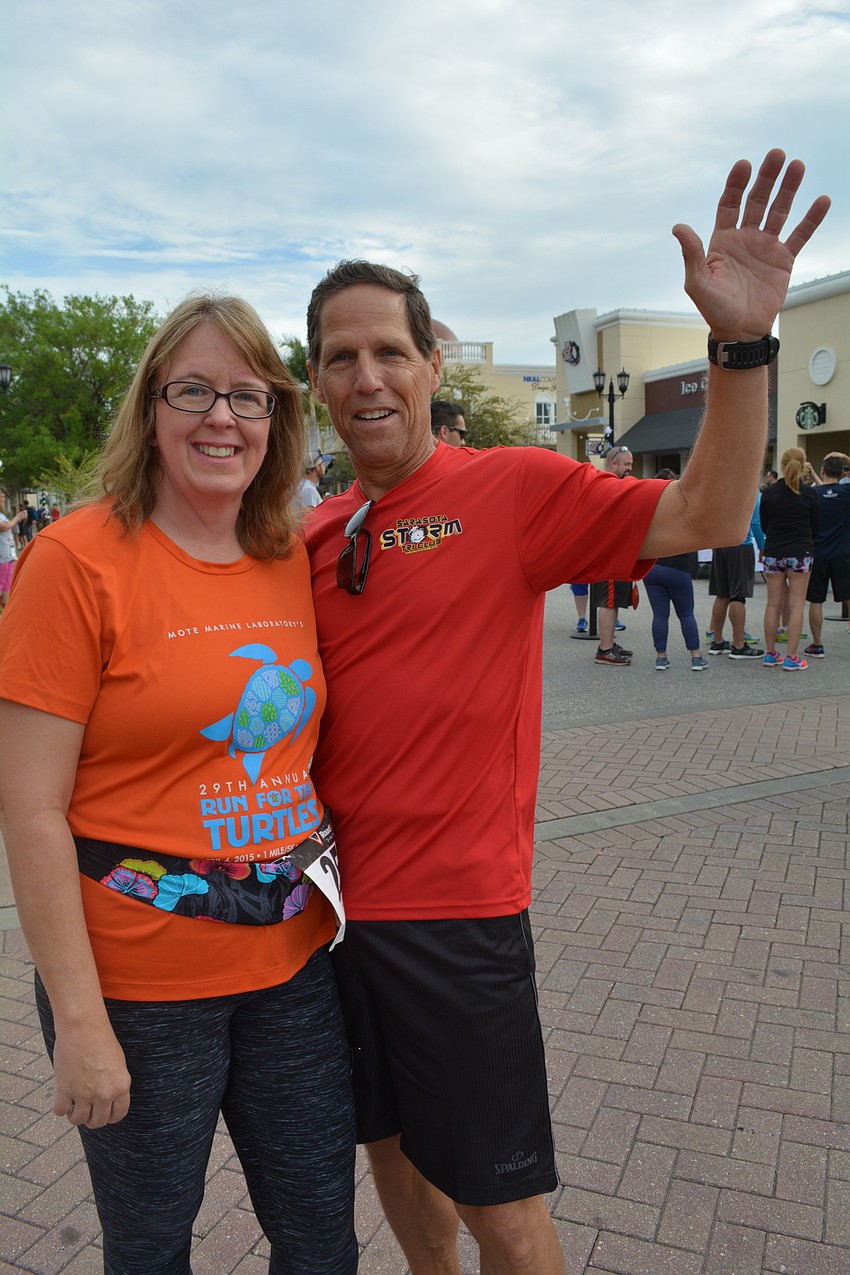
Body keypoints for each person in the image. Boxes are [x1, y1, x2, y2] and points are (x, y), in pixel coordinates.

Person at [302, 151, 829, 1275]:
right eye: (340, 358)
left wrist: (741, 350)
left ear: (431, 362)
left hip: (455, 916)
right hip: (329, 916)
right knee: (386, 1148)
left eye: (389, 350)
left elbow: (709, 509)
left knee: (503, 1202)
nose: (367, 377)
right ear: (316, 384)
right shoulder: (306, 535)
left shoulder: (510, 490)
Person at [0, 295, 357, 1274]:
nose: (222, 418)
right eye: (193, 390)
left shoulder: (290, 557)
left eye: (249, 395)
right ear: (150, 408)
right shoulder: (74, 560)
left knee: (322, 1241)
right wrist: (79, 1022)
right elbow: (29, 808)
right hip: (138, 991)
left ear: (277, 420)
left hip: (291, 970)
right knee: (151, 1247)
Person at [760, 446, 819, 669]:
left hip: (773, 551)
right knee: (796, 605)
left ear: (782, 466)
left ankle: (770, 653)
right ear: (803, 465)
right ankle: (792, 657)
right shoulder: (810, 493)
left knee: (772, 605)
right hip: (801, 553)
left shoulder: (769, 493)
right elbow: (816, 527)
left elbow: (765, 525)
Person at [643, 469, 707, 671]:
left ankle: (661, 657)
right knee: (686, 613)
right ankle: (695, 656)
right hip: (677, 568)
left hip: (653, 568)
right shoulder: (683, 510)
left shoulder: (649, 509)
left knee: (659, 615)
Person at [591, 446, 637, 666]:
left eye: (631, 464)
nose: (630, 468)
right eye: (626, 464)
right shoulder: (606, 484)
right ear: (614, 464)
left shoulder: (615, 484)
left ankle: (609, 643)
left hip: (617, 552)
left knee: (614, 600)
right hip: (607, 554)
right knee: (608, 601)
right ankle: (604, 649)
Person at [707, 496, 765, 659]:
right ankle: (739, 645)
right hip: (740, 545)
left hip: (720, 545)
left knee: (722, 594)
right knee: (738, 596)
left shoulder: (721, 486)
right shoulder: (750, 488)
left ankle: (717, 641)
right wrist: (762, 546)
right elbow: (755, 521)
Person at [805, 454, 850, 657]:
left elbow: (823, 489)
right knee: (848, 596)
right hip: (843, 553)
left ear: (823, 471)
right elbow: (831, 489)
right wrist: (844, 458)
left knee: (816, 600)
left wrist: (813, 471)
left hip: (819, 553)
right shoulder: (846, 491)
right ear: (842, 473)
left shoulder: (814, 494)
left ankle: (817, 644)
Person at [0, 491, 27, 612]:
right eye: (0, 496)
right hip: (2, 556)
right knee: (3, 584)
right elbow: (5, 527)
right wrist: (18, 517)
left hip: (8, 554)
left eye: (3, 496)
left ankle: (6, 612)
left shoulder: (2, 514)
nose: (3, 498)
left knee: (7, 584)